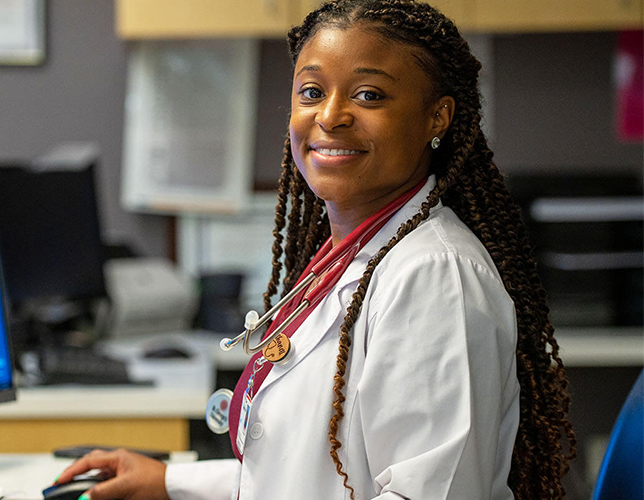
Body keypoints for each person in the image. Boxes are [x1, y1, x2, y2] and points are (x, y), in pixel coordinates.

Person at [57, 0, 576, 498]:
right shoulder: (344, 257)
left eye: (369, 95)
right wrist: (171, 482)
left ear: (437, 118)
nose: (330, 116)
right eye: (310, 92)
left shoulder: (434, 275)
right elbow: (311, 475)